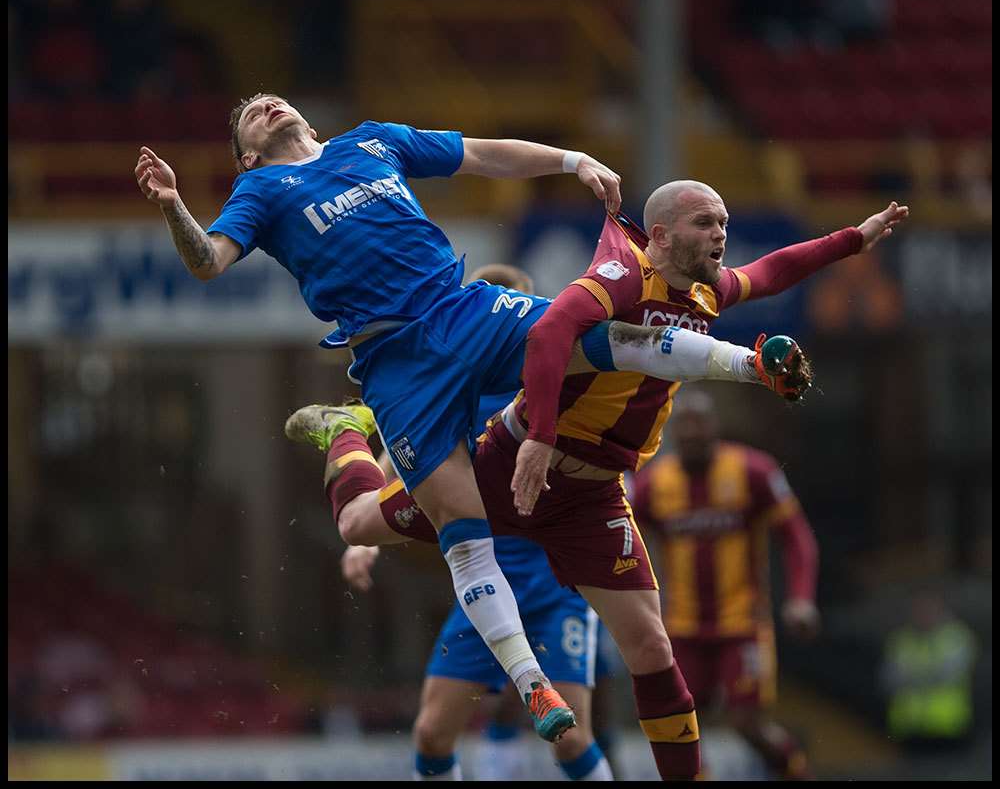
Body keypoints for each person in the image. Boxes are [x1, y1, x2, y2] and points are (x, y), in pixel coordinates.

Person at [286, 183, 907, 779]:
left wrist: (855, 237)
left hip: (591, 495)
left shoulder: (708, 292)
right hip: (511, 467)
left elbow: (774, 271)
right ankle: (344, 426)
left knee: (650, 647)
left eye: (723, 222)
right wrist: (540, 437)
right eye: (706, 222)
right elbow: (554, 328)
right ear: (660, 233)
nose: (721, 234)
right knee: (357, 523)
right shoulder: (621, 276)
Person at [135, 95, 623, 741]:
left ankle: (746, 363)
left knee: (595, 329)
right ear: (248, 154)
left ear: (310, 122)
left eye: (273, 99)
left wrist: (572, 158)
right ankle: (533, 686)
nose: (267, 104)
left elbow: (479, 155)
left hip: (458, 311)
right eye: (251, 113)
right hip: (398, 363)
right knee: (442, 532)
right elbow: (208, 262)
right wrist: (173, 205)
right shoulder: (262, 189)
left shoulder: (372, 142)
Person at [340, 263, 613, 782]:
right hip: (485, 580)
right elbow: (396, 464)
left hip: (555, 584)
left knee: (572, 739)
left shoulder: (551, 375)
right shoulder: (443, 385)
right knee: (431, 734)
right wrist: (366, 544)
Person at [631, 390, 821, 780]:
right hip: (682, 628)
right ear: (673, 434)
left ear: (714, 427)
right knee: (682, 728)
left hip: (742, 625)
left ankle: (796, 772)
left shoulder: (753, 471)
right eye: (684, 426)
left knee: (745, 723)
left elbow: (797, 536)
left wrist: (801, 598)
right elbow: (622, 540)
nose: (693, 434)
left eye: (700, 424)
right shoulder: (654, 484)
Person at [881, 590, 977, 753]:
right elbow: (888, 679)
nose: (924, 614)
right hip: (909, 727)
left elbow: (949, 676)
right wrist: (928, 674)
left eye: (929, 609)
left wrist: (910, 676)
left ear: (941, 609)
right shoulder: (901, 639)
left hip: (948, 725)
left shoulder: (955, 637)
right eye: (919, 610)